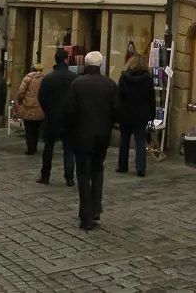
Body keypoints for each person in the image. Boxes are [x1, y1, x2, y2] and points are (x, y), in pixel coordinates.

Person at [65, 50, 120, 231]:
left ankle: (86, 215)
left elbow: (70, 111)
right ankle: (96, 207)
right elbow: (116, 111)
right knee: (98, 170)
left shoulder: (77, 84)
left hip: (81, 136)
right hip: (102, 135)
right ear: (101, 65)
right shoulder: (110, 84)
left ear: (86, 65)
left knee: (83, 174)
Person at [37, 48, 77, 186]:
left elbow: (41, 97)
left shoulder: (48, 78)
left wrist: (48, 111)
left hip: (51, 117)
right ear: (66, 60)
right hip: (69, 119)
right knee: (69, 149)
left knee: (48, 147)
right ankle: (69, 177)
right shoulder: (74, 78)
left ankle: (45, 175)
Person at [116, 55, 154, 177]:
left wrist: (117, 113)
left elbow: (118, 97)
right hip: (141, 114)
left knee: (124, 140)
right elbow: (151, 99)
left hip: (125, 114)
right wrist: (152, 115)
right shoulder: (148, 79)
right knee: (140, 141)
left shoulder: (124, 78)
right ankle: (141, 168)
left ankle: (122, 166)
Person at [13, 64, 45, 155]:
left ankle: (30, 148)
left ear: (31, 69)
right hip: (40, 106)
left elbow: (21, 92)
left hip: (28, 106)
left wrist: (20, 101)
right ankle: (34, 146)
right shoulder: (44, 79)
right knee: (36, 128)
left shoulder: (28, 78)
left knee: (29, 128)